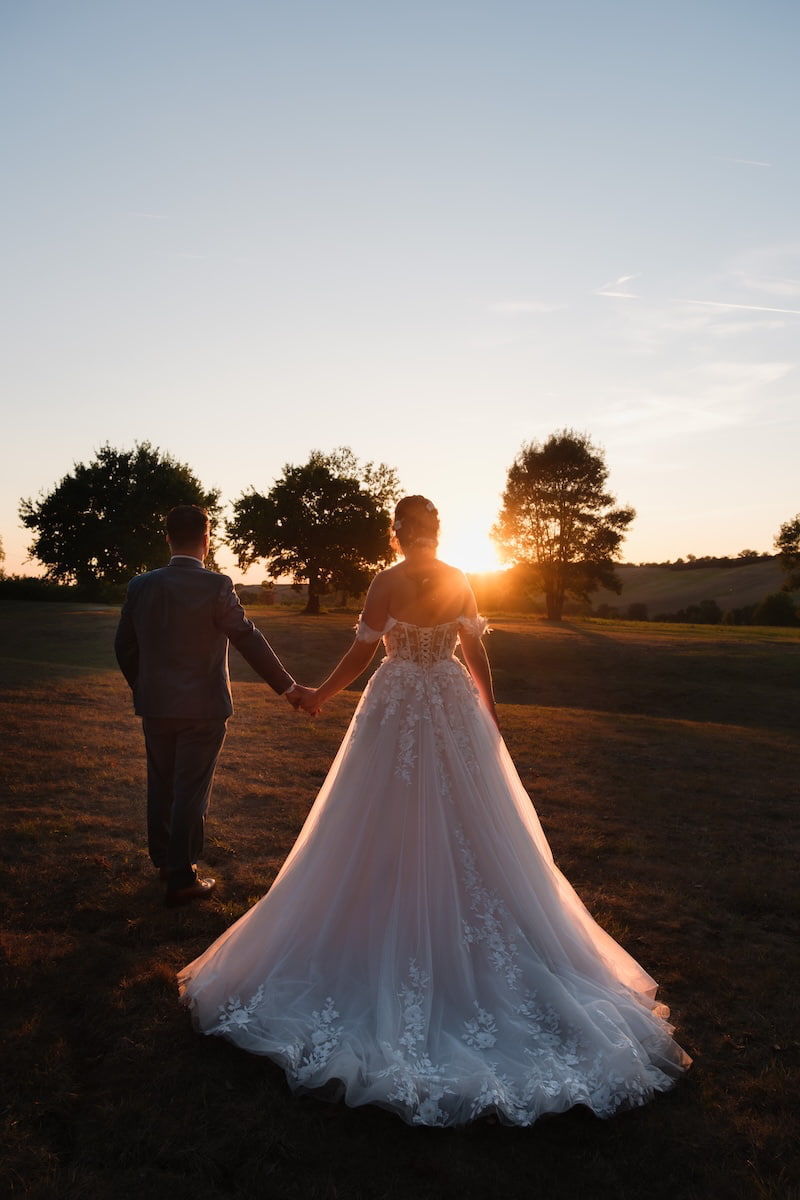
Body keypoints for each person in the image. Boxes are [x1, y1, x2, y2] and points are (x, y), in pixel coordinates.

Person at [178, 495, 691, 1125]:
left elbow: (364, 654)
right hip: (449, 703)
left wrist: (319, 696)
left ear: (397, 532)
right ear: (436, 532)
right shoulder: (459, 579)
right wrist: (489, 717)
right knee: (468, 818)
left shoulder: (386, 581)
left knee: (376, 815)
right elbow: (477, 657)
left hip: (397, 702)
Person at [114, 504, 312, 907]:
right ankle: (183, 877)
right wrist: (287, 687)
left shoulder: (141, 585)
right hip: (204, 706)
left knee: (163, 784)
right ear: (207, 539)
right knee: (189, 790)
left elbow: (124, 646)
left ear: (167, 538)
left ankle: (168, 863)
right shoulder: (217, 585)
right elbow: (247, 638)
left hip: (155, 705)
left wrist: (144, 685)